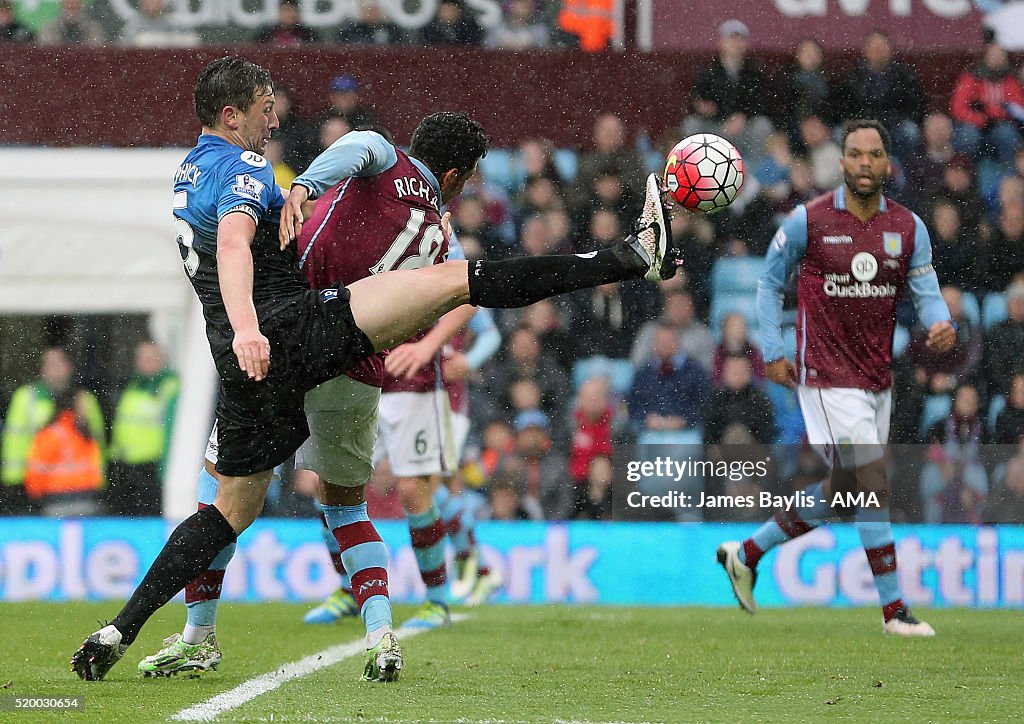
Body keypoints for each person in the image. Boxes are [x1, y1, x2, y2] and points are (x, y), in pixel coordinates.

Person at [71, 55, 678, 683]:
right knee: (460, 282)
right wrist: (261, 305)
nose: (274, 114)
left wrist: (245, 320)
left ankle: (125, 627)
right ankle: (630, 256)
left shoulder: (189, 169)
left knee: (223, 507)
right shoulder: (252, 169)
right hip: (297, 329)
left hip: (241, 356)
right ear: (233, 115)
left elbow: (253, 226)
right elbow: (241, 237)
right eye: (263, 105)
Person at [716, 120, 956, 636]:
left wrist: (942, 323)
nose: (865, 163)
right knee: (870, 485)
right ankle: (895, 613)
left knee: (847, 491)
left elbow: (927, 288)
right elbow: (768, 284)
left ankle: (746, 552)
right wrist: (774, 350)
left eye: (874, 154)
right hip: (825, 377)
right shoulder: (809, 221)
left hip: (876, 379)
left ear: (888, 162)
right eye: (855, 154)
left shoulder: (909, 227)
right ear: (841, 162)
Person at [2, 348, 105, 513]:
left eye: (59, 363)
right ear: (41, 369)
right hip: (34, 487)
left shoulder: (85, 400)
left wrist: (99, 481)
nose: (54, 369)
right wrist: (15, 481)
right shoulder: (25, 397)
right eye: (49, 364)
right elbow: (14, 440)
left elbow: (97, 444)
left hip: (79, 489)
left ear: (69, 367)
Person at [107, 342, 179, 517]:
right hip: (126, 467)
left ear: (161, 359)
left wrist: (165, 467)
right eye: (139, 358)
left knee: (148, 515)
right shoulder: (135, 386)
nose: (142, 362)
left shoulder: (169, 387)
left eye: (148, 358)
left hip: (152, 467)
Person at [24, 389, 105, 517]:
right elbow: (37, 468)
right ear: (72, 404)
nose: (87, 409)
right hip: (59, 500)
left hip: (82, 499)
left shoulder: (83, 432)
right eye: (82, 405)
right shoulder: (55, 433)